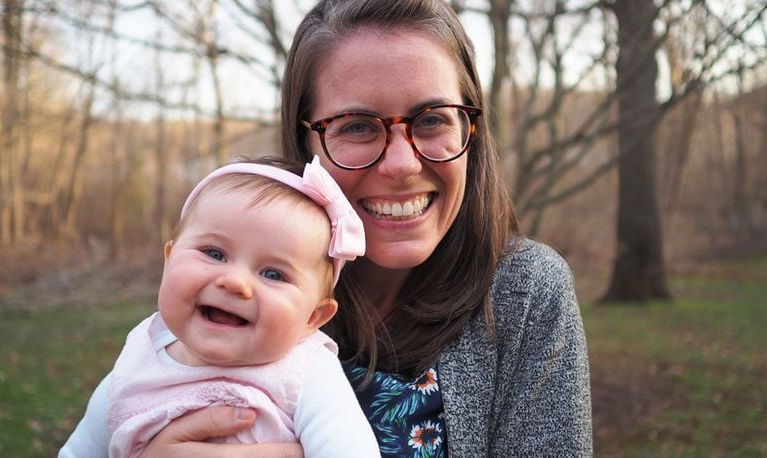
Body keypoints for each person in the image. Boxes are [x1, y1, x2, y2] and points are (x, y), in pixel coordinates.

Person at [141, 0, 593, 456]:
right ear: (305, 145)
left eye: (433, 119)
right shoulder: (227, 284)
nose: (402, 164)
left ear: (470, 128)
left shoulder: (525, 291)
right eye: (357, 126)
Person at [59, 157, 380, 458]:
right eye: (214, 253)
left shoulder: (306, 372)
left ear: (313, 317)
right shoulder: (134, 366)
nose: (234, 282)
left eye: (273, 274)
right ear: (169, 260)